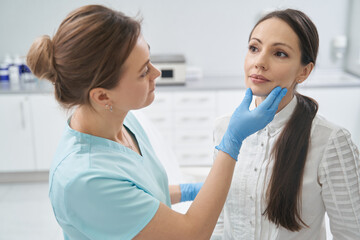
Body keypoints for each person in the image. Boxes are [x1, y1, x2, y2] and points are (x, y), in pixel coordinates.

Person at [27, 5, 287, 240]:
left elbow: (137, 193)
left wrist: (189, 191)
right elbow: (191, 235)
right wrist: (232, 140)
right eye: (143, 72)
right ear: (102, 95)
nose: (156, 73)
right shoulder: (84, 180)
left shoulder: (120, 121)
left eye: (149, 59)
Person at [213, 9, 360, 240]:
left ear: (304, 71)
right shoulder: (224, 130)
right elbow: (219, 220)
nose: (259, 62)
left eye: (279, 53)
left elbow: (351, 234)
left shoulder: (330, 142)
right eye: (254, 48)